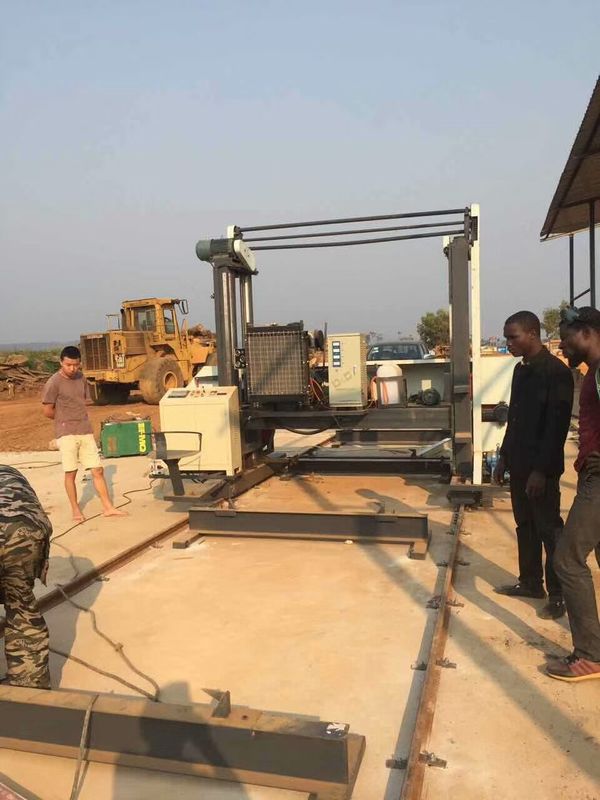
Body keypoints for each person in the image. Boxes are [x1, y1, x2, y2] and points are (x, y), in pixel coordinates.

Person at [494, 311, 574, 619]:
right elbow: (514, 419)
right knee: (524, 526)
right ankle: (530, 582)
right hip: (519, 465)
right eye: (506, 337)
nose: (508, 343)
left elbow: (556, 428)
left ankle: (558, 594)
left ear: (532, 334)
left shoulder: (556, 373)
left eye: (512, 337)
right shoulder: (521, 370)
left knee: (549, 530)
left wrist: (541, 471)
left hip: (541, 470)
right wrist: (503, 457)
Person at [546, 306, 600, 682]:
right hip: (591, 470)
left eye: (566, 339)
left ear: (587, 332)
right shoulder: (592, 371)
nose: (563, 347)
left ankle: (590, 656)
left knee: (567, 559)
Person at [41, 345, 127, 522]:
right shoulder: (54, 382)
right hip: (66, 433)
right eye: (68, 365)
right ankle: (75, 509)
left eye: (76, 365)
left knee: (98, 470)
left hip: (85, 430)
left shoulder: (82, 378)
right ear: (61, 363)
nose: (72, 368)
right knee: (71, 472)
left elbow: (83, 402)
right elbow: (47, 411)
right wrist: (64, 420)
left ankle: (108, 507)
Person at [0, 465, 52, 688]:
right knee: (21, 608)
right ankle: (29, 689)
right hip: (27, 532)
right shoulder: (10, 472)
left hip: (21, 531)